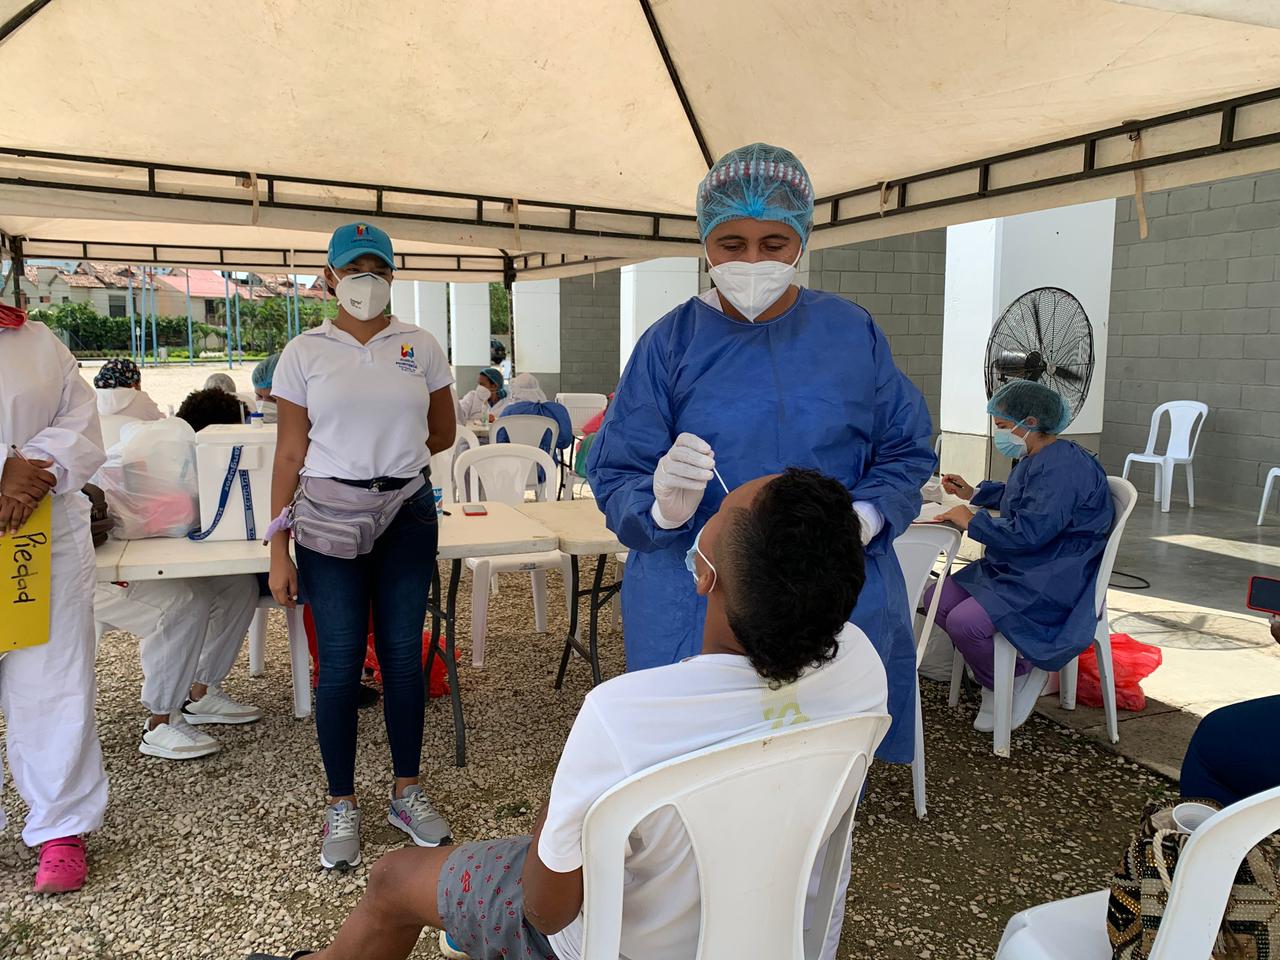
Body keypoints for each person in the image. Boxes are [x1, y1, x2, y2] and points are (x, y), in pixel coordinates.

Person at [247, 468, 889, 960]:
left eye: (721, 510)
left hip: (608, 943)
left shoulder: (626, 715)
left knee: (391, 877)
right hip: (778, 938)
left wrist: (555, 809)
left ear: (703, 573)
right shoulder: (861, 668)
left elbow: (547, 909)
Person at [586, 142, 933, 765]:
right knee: (695, 765)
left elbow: (906, 448)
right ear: (704, 243)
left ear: (802, 239)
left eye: (773, 245)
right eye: (731, 245)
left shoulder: (852, 334)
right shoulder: (670, 345)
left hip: (831, 587)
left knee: (816, 761)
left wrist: (866, 517)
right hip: (694, 592)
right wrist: (660, 506)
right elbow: (618, 470)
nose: (752, 261)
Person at [268, 221, 457, 870]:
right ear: (329, 277)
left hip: (407, 512)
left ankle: (407, 790)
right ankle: (341, 802)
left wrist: (387, 467)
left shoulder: (421, 346)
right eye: (353, 268)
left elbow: (441, 431)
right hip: (326, 520)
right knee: (342, 662)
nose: (365, 279)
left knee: (405, 657)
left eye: (377, 267)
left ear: (394, 275)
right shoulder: (305, 352)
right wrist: (277, 547)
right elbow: (290, 451)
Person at [930, 379, 1114, 733]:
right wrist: (975, 493)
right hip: (1025, 565)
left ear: (1029, 422)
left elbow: (1031, 531)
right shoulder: (1039, 456)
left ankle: (1008, 681)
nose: (1000, 436)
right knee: (934, 598)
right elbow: (1024, 497)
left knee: (965, 622)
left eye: (1002, 427)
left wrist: (971, 521)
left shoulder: (1063, 468)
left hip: (1054, 574)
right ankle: (1000, 674)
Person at [0, 303, 109, 894]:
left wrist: (26, 473)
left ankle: (61, 826)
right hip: (18, 506)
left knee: (53, 680)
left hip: (40, 532)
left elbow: (82, 424)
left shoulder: (40, 343)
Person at [93, 387, 262, 760]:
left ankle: (199, 692)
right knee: (184, 602)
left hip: (154, 554)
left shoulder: (176, 445)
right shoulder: (154, 447)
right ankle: (159, 721)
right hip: (98, 571)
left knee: (239, 586)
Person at [92, 357, 163, 421]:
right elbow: (161, 421)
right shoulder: (141, 399)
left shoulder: (91, 398)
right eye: (139, 382)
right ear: (133, 382)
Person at [238, 353, 280, 424]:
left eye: (273, 398)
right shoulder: (250, 423)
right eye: (259, 396)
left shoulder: (304, 427)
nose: (263, 405)